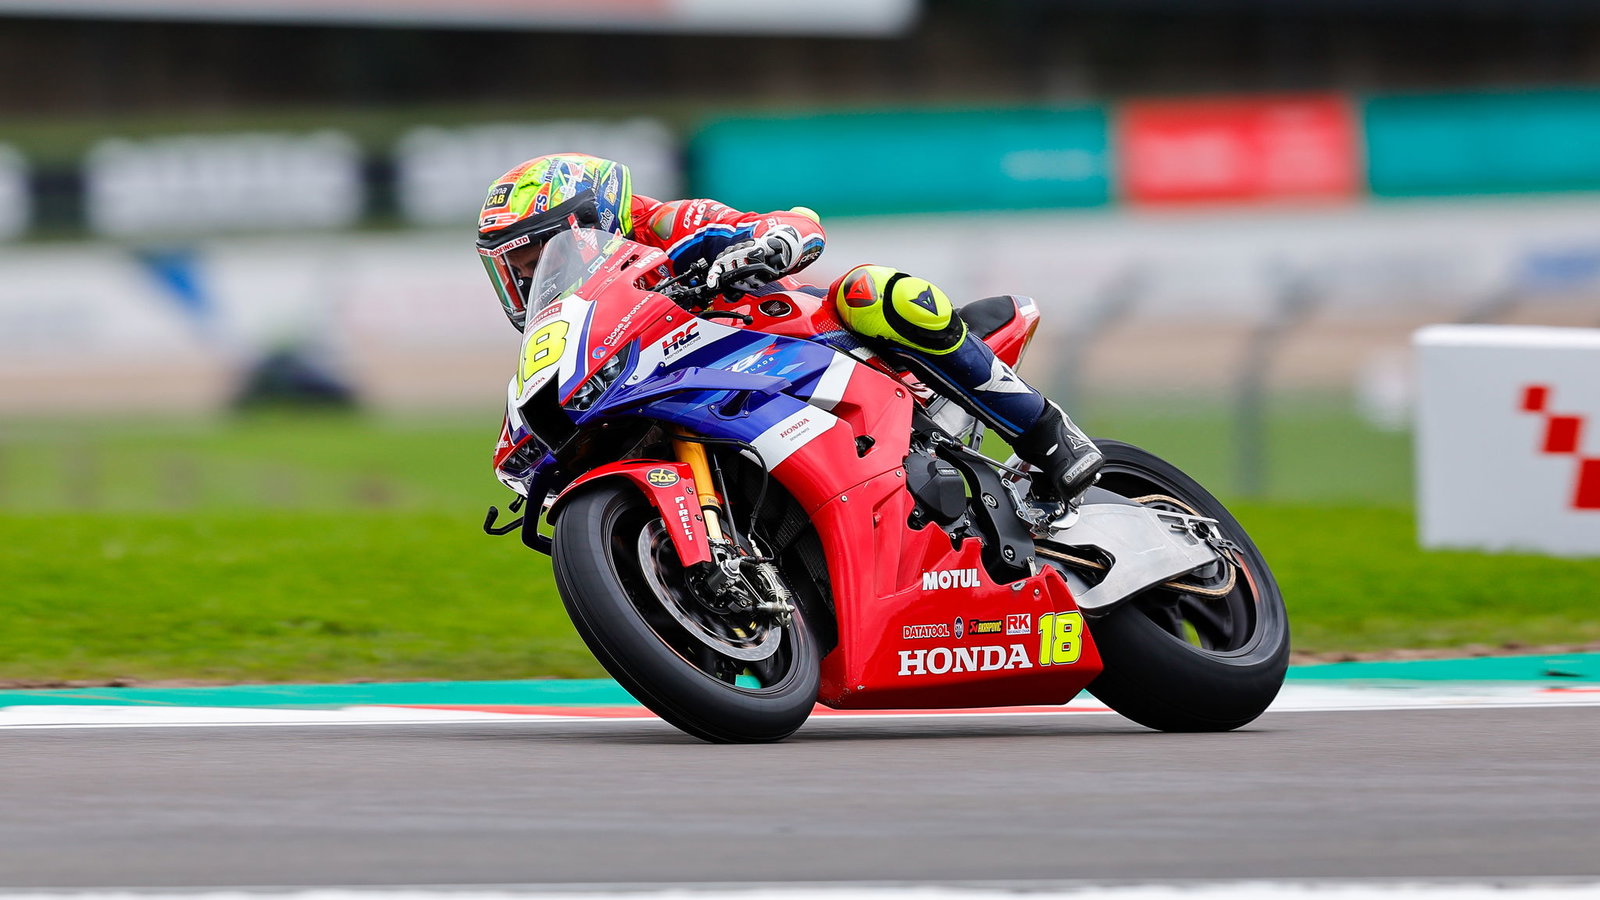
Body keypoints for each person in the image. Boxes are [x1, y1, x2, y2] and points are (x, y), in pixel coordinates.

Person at [476, 153, 1104, 501]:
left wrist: (769, 242)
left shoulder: (662, 222)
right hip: (692, 387)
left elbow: (790, 221)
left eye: (539, 257)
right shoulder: (574, 318)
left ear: (593, 217)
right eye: (518, 270)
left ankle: (1049, 434)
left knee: (875, 290)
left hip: (792, 340)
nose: (532, 280)